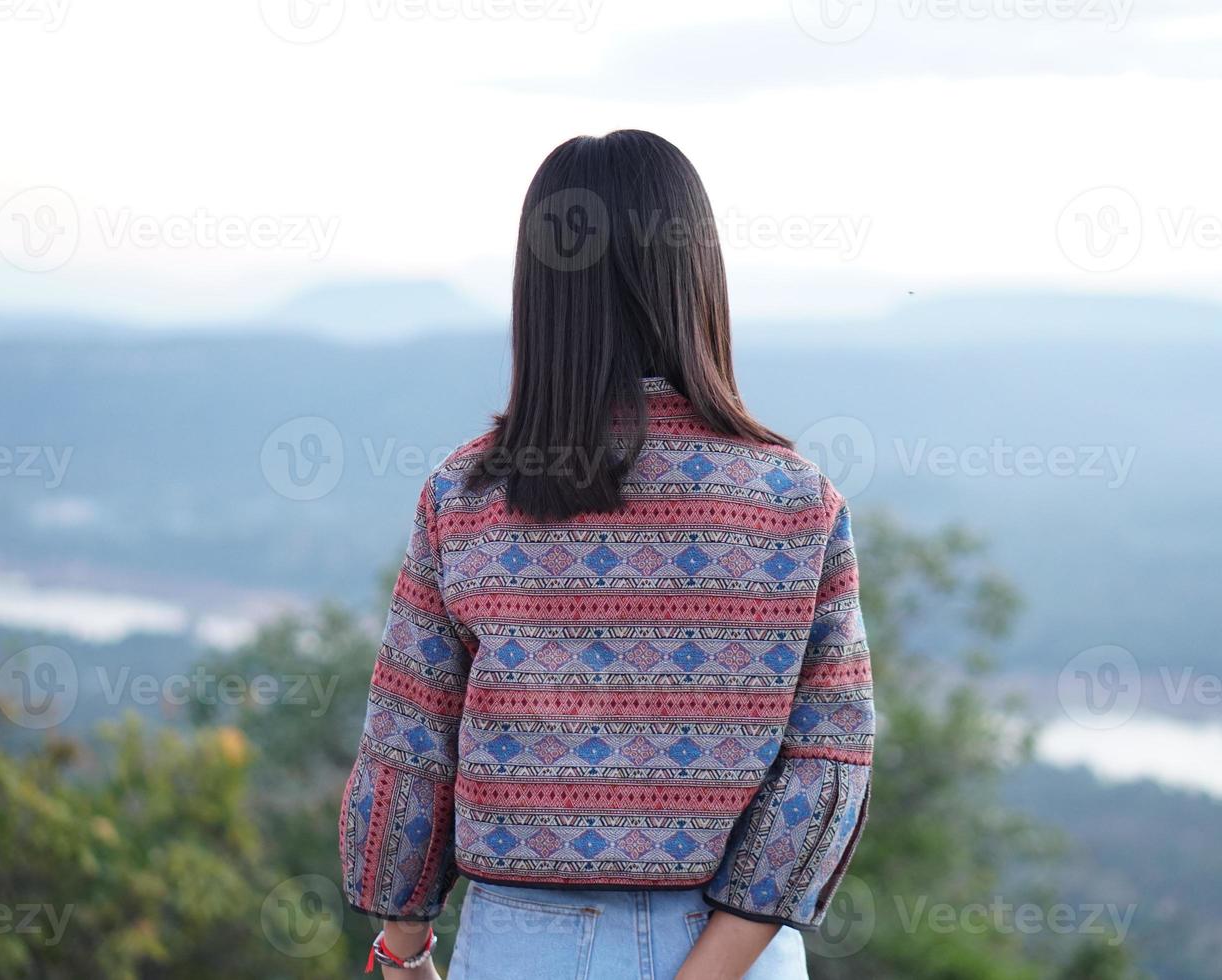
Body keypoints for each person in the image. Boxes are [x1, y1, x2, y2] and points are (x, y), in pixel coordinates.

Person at [339, 129, 874, 980]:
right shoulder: (795, 501)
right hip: (741, 953)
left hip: (527, 946)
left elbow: (408, 749)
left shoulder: (467, 498)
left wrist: (401, 951)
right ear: (697, 276)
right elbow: (826, 762)